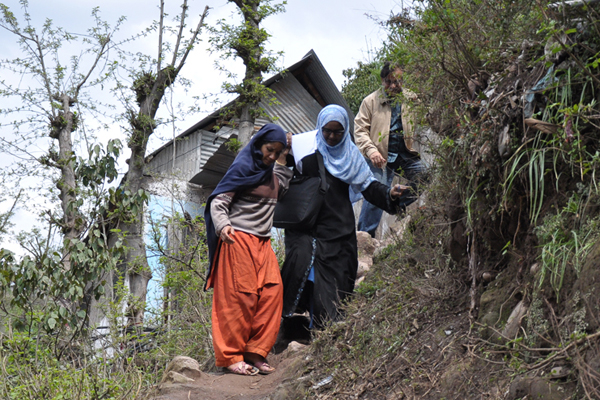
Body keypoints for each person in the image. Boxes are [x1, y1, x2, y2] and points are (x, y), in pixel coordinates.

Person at [279, 104, 407, 331]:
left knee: (337, 276)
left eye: (337, 132)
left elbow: (368, 187)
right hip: (306, 227)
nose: (331, 136)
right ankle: (297, 326)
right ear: (320, 127)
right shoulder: (303, 147)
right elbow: (276, 163)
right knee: (303, 273)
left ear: (346, 130)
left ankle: (324, 330)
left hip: (337, 227)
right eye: (327, 130)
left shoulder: (352, 156)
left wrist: (389, 194)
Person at [204, 124, 292, 376]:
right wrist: (224, 227)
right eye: (269, 150)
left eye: (277, 152)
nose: (272, 156)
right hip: (237, 240)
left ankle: (255, 352)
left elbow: (282, 190)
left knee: (272, 293)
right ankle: (231, 357)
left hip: (263, 242)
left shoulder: (273, 172)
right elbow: (219, 202)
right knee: (238, 298)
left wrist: (284, 160)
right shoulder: (243, 169)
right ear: (258, 145)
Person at [355, 61, 428, 238]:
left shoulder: (412, 99)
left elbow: (427, 117)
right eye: (389, 82)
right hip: (380, 155)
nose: (394, 86)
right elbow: (359, 130)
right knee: (375, 196)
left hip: (404, 153)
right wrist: (371, 151)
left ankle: (396, 202)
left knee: (425, 175)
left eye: (398, 81)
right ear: (382, 81)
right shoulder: (370, 101)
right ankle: (364, 239)